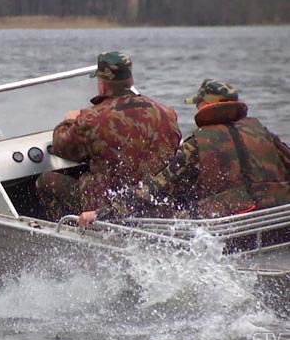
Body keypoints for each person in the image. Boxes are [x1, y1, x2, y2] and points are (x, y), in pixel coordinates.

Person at [78, 79, 290, 226]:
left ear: (206, 105)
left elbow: (156, 188)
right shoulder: (263, 133)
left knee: (167, 214)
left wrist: (102, 213)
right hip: (276, 213)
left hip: (230, 222)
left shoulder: (198, 143)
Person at [36, 51, 182, 221]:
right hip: (153, 202)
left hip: (106, 204)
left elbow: (63, 147)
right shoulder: (166, 113)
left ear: (103, 86)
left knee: (46, 181)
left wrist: (69, 121)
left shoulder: (93, 119)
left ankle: (72, 233)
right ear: (131, 81)